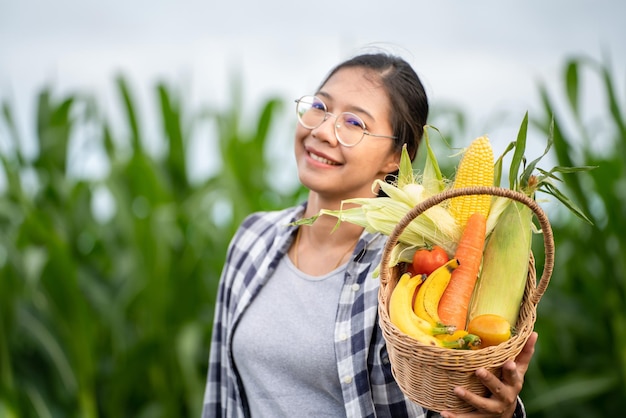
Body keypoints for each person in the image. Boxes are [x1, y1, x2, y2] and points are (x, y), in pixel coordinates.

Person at [202, 51, 537, 418]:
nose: (323, 131)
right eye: (320, 107)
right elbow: (221, 395)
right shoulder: (253, 239)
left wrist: (500, 411)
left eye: (353, 123)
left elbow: (452, 394)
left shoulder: (411, 267)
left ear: (397, 156)